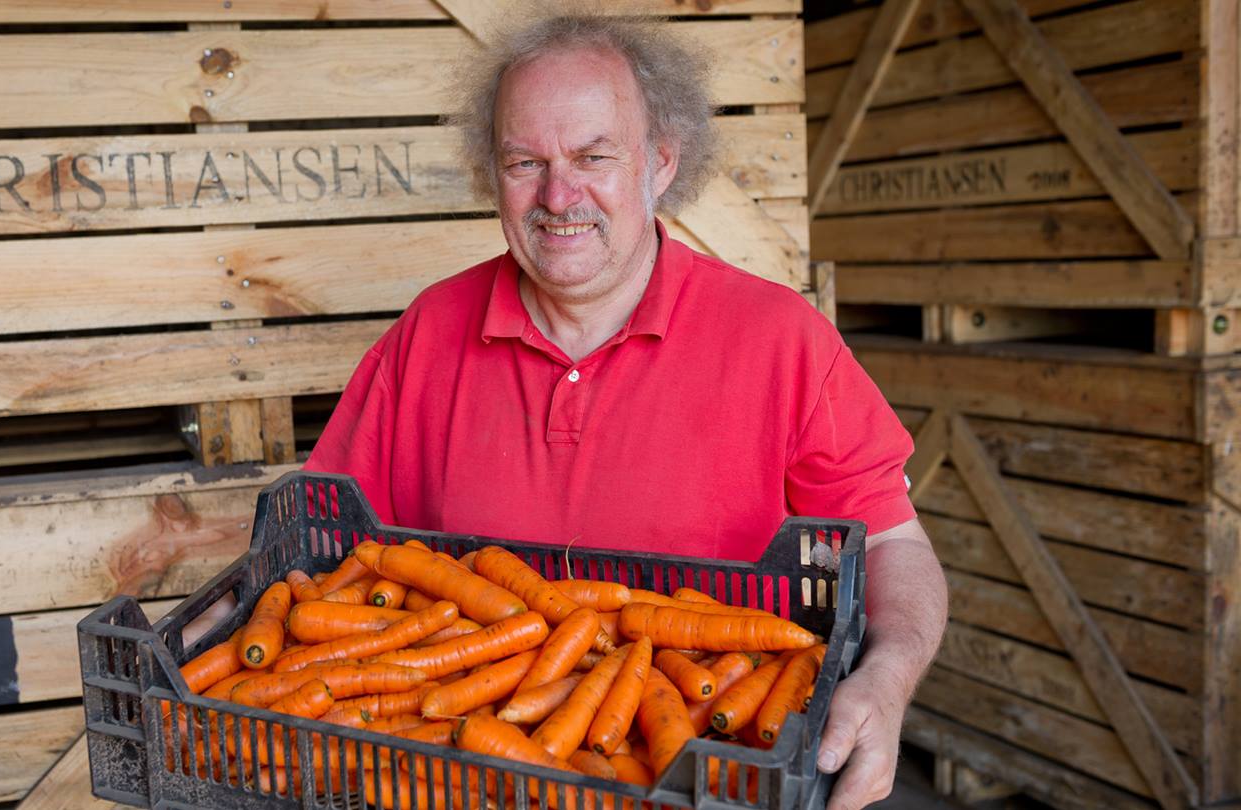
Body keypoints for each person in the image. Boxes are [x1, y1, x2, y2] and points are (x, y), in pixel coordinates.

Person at [304, 10, 947, 809]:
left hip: (711, 775)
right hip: (462, 773)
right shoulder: (426, 335)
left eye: (592, 156)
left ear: (661, 162)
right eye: (523, 162)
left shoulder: (784, 341)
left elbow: (889, 541)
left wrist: (886, 683)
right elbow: (319, 562)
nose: (558, 194)